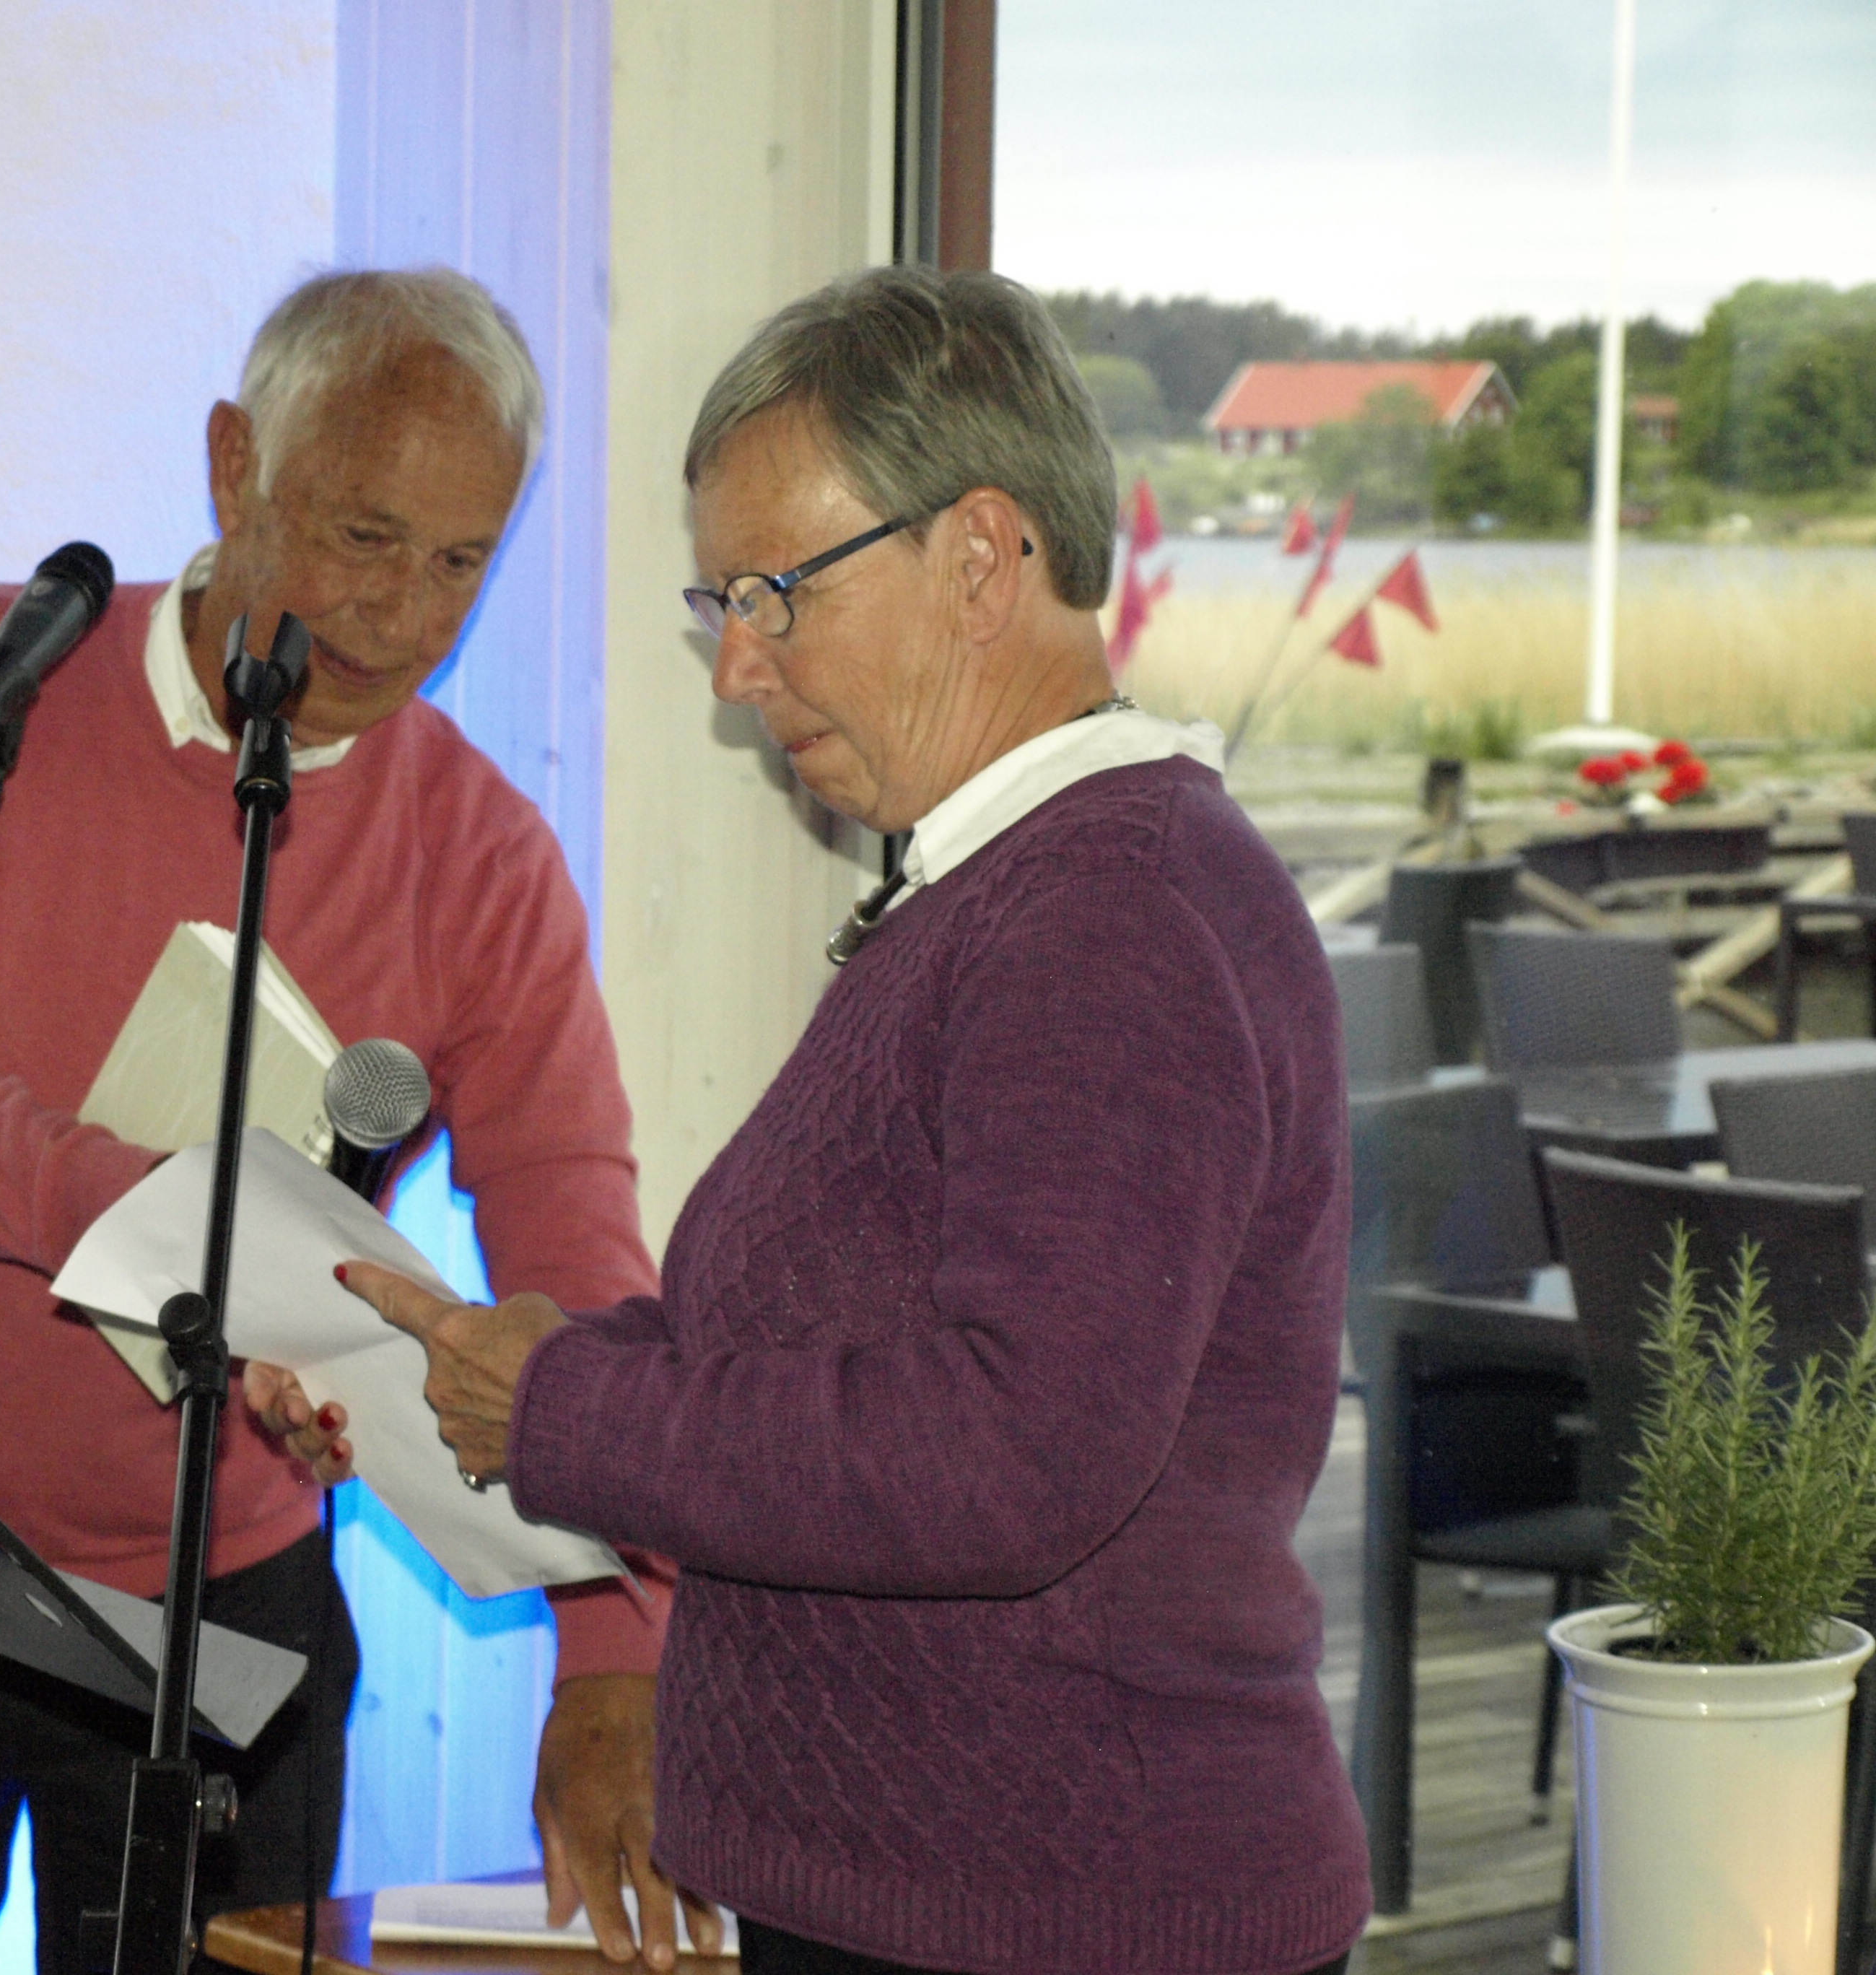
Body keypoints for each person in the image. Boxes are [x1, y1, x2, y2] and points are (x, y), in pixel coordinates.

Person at [338, 265, 1374, 1974]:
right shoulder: (1013, 889)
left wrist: (571, 1409)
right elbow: (837, 1351)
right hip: (957, 1903)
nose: (739, 668)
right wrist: (474, 1375)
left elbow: (1016, 1455)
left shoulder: (1110, 911)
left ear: (981, 557)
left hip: (1069, 1919)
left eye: (775, 594)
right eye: (719, 603)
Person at [0, 269, 683, 1975]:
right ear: (235, 465)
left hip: (226, 1613)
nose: (403, 615)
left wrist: (615, 1649)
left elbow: (575, 1242)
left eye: (462, 562)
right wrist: (194, 1224)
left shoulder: (483, 855)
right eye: (366, 537)